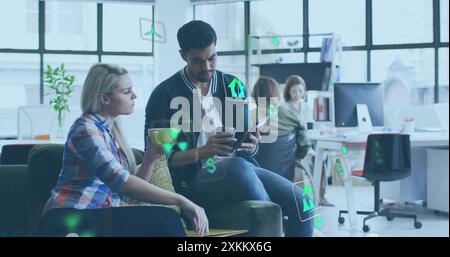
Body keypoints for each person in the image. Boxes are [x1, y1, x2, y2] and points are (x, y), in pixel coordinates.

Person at [145, 20, 313, 237]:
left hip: (242, 169)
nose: (207, 67)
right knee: (237, 167)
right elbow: (159, 159)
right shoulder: (164, 95)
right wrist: (202, 152)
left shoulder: (232, 85)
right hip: (193, 181)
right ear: (182, 55)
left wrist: (251, 145)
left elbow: (247, 146)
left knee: (305, 203)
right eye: (198, 61)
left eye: (212, 58)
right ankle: (274, 222)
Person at [40, 63, 208, 237]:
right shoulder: (86, 129)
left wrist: (150, 158)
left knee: (164, 219)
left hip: (97, 216)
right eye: (127, 92)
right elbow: (122, 182)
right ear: (105, 98)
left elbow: (129, 197)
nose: (134, 96)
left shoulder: (111, 135)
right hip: (69, 216)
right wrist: (181, 200)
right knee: (166, 219)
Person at [282, 75, 333, 206]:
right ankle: (301, 201)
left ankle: (322, 196)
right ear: (288, 91)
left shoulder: (306, 106)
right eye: (294, 91)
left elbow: (312, 125)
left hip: (306, 145)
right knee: (298, 170)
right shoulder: (284, 108)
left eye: (300, 91)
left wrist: (323, 129)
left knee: (319, 161)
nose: (297, 94)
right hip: (292, 147)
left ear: (304, 91)